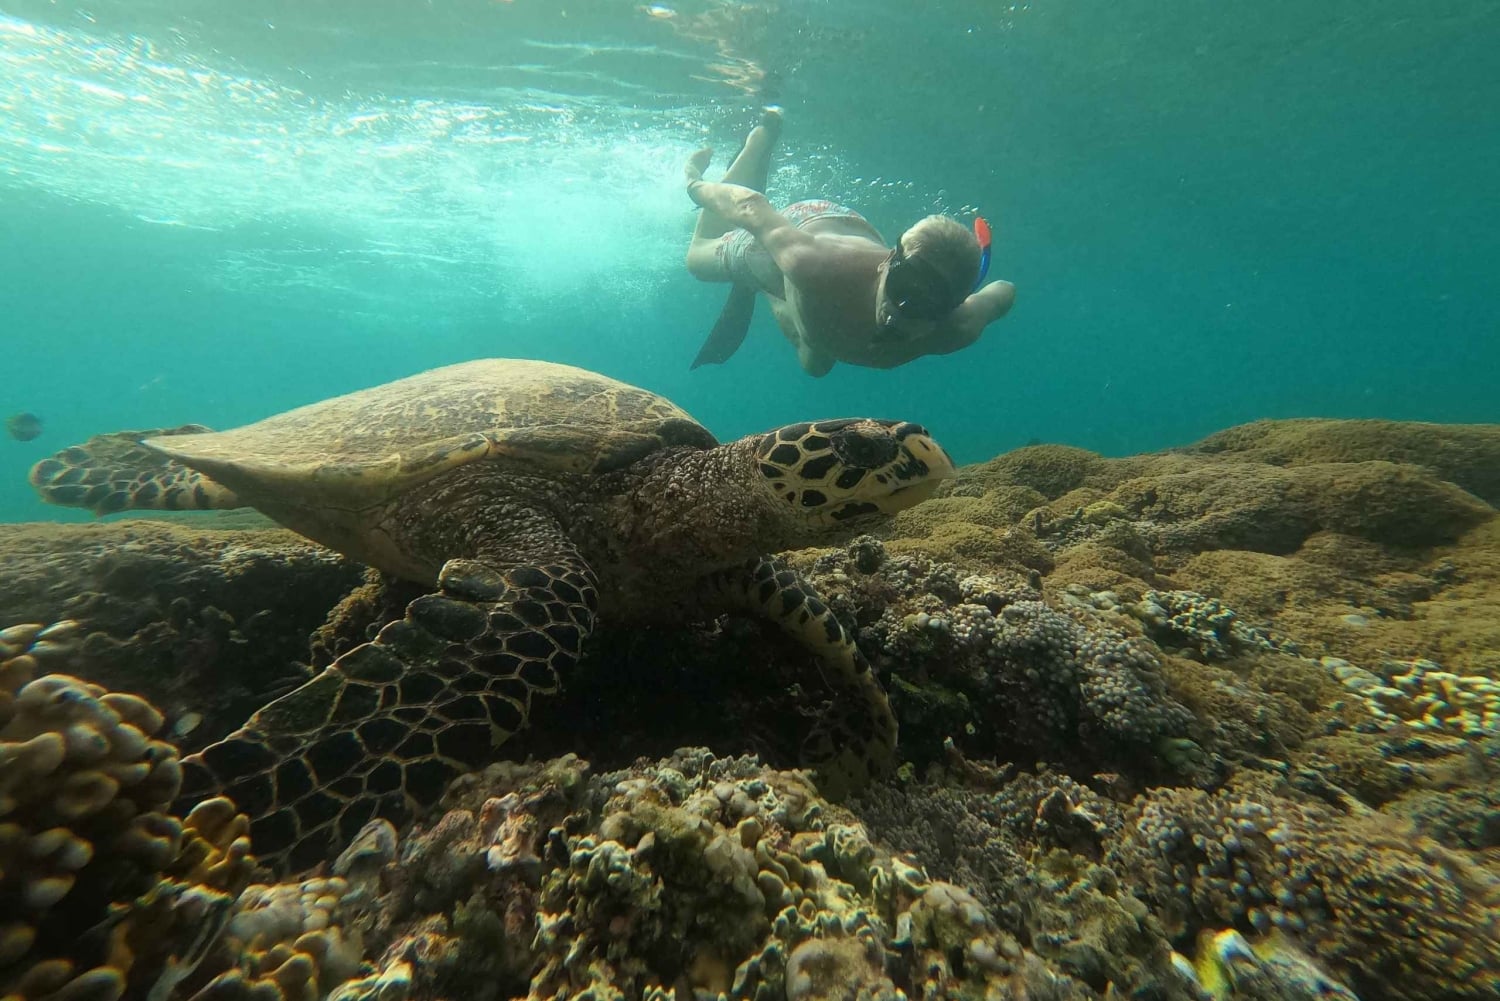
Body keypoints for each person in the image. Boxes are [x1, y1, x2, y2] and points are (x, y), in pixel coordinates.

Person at [683, 108, 1016, 376]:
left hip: (822, 305)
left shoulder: (958, 327)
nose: (898, 315)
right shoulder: (810, 263)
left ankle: (769, 288)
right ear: (887, 260)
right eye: (903, 286)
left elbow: (1004, 292)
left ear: (952, 308)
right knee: (697, 259)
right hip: (808, 225)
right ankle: (759, 140)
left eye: (925, 305)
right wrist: (694, 184)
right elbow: (750, 207)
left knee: (816, 366)